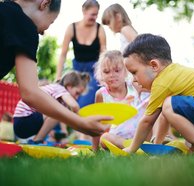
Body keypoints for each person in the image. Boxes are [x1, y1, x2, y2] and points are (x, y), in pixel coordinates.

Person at [0, 0, 111, 138]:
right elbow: (30, 92)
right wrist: (81, 123)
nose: (43, 32)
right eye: (51, 22)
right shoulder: (25, 26)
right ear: (45, 4)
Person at [93, 50, 150, 150]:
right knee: (105, 138)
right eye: (106, 72)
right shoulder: (101, 94)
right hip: (115, 138)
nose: (112, 75)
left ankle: (148, 145)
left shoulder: (134, 87)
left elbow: (156, 89)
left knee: (151, 112)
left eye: (117, 70)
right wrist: (94, 150)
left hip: (139, 134)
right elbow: (96, 124)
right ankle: (136, 148)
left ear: (126, 71)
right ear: (101, 74)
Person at [14, 71, 91, 143]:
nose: (77, 97)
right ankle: (37, 140)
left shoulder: (60, 98)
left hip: (24, 122)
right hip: (23, 120)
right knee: (57, 113)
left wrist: (65, 130)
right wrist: (82, 119)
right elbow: (74, 106)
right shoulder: (60, 89)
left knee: (59, 113)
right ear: (69, 86)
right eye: (77, 93)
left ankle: (38, 139)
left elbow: (64, 117)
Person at [56, 0, 106, 108]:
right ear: (84, 11)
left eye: (96, 14)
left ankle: (83, 123)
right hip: (77, 73)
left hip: (94, 73)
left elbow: (104, 54)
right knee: (66, 100)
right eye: (92, 14)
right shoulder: (71, 28)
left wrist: (103, 75)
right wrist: (59, 76)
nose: (95, 17)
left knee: (84, 104)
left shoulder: (100, 29)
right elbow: (63, 54)